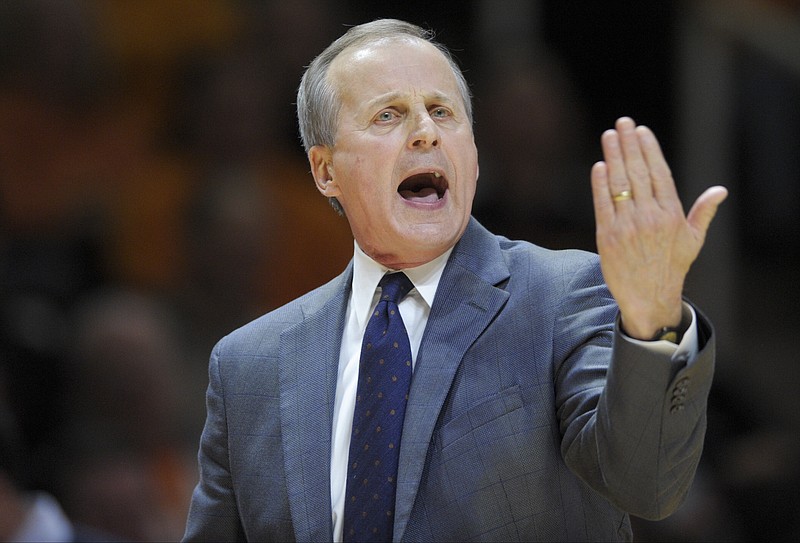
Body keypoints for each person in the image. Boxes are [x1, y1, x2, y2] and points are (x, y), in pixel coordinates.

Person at [183, 19, 728, 542]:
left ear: (471, 151)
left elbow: (646, 485)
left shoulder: (563, 295)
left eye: (443, 111)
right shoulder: (245, 367)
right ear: (325, 170)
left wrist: (654, 318)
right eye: (388, 115)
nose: (425, 132)